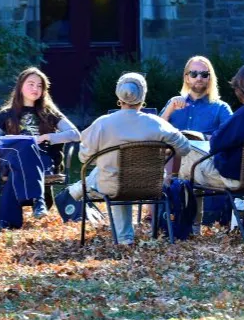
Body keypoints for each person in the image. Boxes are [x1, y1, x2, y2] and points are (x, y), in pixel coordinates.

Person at [65, 72, 191, 244]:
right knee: (120, 173)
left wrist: (106, 157)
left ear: (118, 96)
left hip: (112, 185)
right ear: (143, 96)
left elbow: (83, 157)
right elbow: (184, 148)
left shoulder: (102, 123)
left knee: (108, 171)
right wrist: (164, 152)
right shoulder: (157, 123)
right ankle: (123, 236)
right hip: (150, 184)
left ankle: (77, 191)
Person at [0, 67, 79, 227]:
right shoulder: (6, 114)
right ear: (20, 86)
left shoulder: (49, 112)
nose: (35, 88)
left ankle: (6, 220)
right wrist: (9, 140)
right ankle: (38, 199)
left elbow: (75, 134)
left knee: (19, 164)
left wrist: (49, 137)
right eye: (31, 84)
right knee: (23, 146)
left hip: (44, 162)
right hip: (14, 160)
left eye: (39, 85)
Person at [160, 56, 232, 139]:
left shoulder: (221, 108)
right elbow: (156, 133)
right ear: (187, 78)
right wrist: (168, 111)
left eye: (204, 74)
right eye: (193, 74)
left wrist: (203, 137)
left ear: (209, 78)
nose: (199, 78)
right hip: (175, 152)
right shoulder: (173, 103)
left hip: (206, 152)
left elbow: (232, 137)